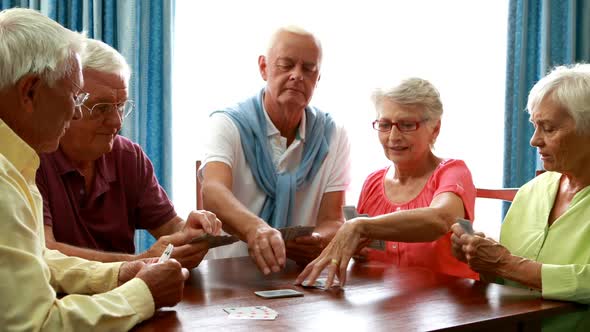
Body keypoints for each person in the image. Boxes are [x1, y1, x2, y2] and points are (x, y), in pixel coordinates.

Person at [0, 8, 188, 330]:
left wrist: (118, 273)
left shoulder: (16, 163)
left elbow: (35, 261)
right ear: (30, 92)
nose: (74, 112)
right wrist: (143, 292)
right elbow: (37, 326)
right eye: (74, 96)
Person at [36, 37, 221, 268]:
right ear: (67, 102)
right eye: (101, 108)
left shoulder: (128, 157)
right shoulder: (34, 158)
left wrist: (190, 233)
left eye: (121, 106)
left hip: (127, 296)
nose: (117, 121)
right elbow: (44, 251)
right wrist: (138, 262)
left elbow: (169, 226)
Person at [296, 78, 478, 287]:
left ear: (435, 129)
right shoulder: (373, 182)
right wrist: (359, 250)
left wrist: (361, 226)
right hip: (386, 311)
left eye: (407, 125)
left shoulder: (453, 171)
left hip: (451, 312)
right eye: (384, 125)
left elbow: (440, 219)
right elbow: (365, 248)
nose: (393, 136)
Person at [200, 26, 351, 275]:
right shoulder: (227, 123)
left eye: (308, 69)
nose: (297, 75)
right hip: (229, 276)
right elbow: (213, 192)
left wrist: (317, 239)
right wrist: (255, 229)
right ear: (263, 67)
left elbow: (333, 220)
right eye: (286, 65)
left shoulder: (333, 134)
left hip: (301, 277)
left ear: (318, 78)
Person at [450, 64, 590, 331]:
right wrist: (482, 259)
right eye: (534, 127)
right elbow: (508, 282)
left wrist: (505, 263)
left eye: (548, 129)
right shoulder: (532, 191)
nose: (534, 141)